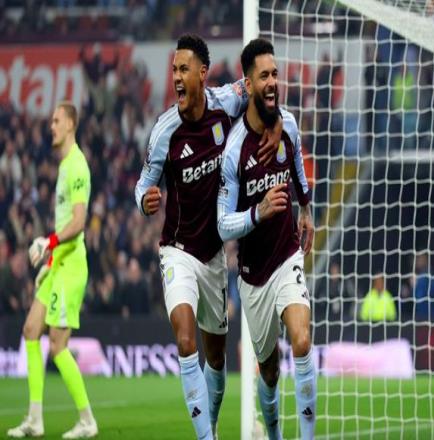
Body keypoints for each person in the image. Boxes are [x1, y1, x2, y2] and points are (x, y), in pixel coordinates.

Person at [134, 34, 281, 440]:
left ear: (202, 73)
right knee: (186, 340)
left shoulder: (226, 102)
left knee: (216, 359)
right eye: (173, 70)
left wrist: (276, 122)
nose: (176, 77)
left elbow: (262, 91)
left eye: (183, 69)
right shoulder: (165, 130)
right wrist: (144, 200)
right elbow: (142, 184)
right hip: (177, 251)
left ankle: (210, 425)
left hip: (214, 256)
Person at [217, 38, 316, 440]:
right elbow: (223, 225)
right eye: (264, 76)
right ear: (249, 84)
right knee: (270, 371)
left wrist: (305, 208)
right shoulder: (234, 150)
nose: (273, 81)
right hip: (253, 275)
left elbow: (297, 168)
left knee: (302, 341)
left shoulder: (287, 124)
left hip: (287, 254)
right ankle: (273, 434)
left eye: (275, 74)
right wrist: (258, 212)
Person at [7, 102, 97, 439]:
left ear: (71, 123)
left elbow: (79, 221)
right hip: (57, 263)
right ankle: (34, 419)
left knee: (57, 346)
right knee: (31, 330)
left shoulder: (77, 166)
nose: (51, 126)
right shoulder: (63, 167)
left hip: (72, 266)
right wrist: (48, 260)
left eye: (57, 121)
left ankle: (87, 420)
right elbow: (64, 224)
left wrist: (50, 242)